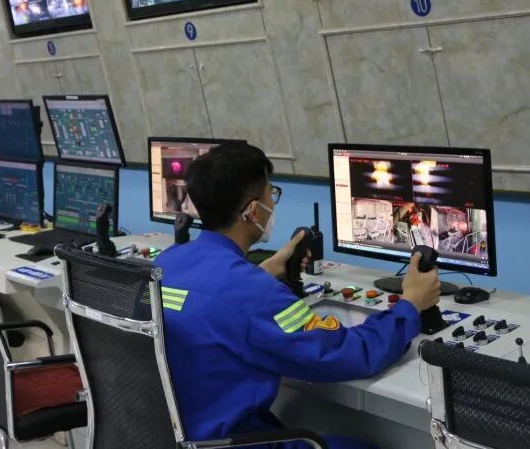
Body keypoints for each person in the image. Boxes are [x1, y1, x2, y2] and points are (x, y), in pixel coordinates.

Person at [154, 143, 440, 449]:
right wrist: (410, 304)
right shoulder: (256, 295)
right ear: (253, 211)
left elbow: (211, 303)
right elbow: (348, 353)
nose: (272, 203)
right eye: (271, 193)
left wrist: (260, 274)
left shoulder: (165, 264)